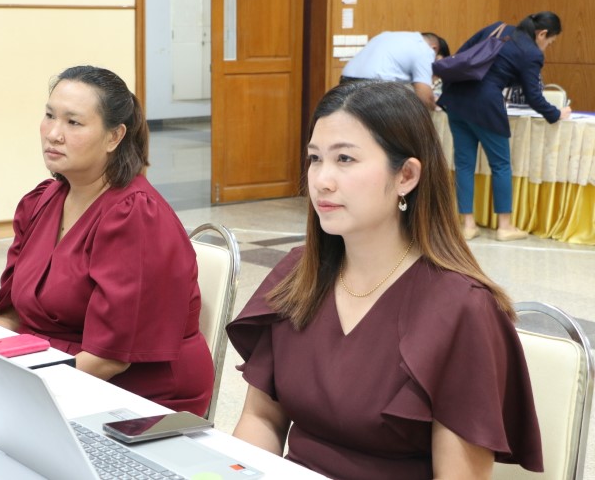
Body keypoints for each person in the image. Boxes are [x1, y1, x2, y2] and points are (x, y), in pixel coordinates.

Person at [226, 81, 542, 479]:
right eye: (315, 158)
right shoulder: (298, 274)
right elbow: (261, 419)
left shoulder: (461, 309)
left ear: (406, 176)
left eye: (345, 159)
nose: (321, 180)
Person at [0, 65, 213, 415]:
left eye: (73, 122)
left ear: (114, 137)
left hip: (134, 393)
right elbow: (12, 315)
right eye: (49, 116)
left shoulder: (135, 216)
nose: (53, 134)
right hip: (50, 370)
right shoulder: (42, 201)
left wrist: (25, 393)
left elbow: (108, 360)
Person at [438, 12, 572, 241]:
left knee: (464, 164)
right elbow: (533, 96)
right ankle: (505, 226)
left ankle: (467, 225)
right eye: (550, 42)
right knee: (500, 165)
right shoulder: (531, 53)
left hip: (456, 100)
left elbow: (461, 55)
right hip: (486, 105)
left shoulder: (497, 28)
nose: (547, 47)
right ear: (542, 34)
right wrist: (557, 113)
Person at [340, 31, 450, 110]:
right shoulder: (425, 50)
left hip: (346, 80)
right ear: (434, 48)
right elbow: (424, 96)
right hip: (374, 87)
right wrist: (436, 109)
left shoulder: (386, 35)